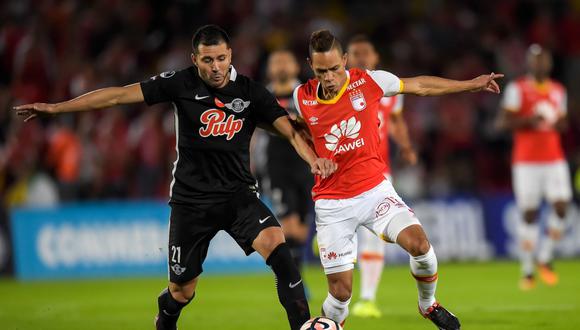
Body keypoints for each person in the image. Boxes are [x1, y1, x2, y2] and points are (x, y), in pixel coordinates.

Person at [14, 25, 338, 330]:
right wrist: (57, 109)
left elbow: (290, 133)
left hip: (238, 197)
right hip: (191, 202)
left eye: (221, 58)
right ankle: (166, 312)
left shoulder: (251, 93)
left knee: (279, 251)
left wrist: (314, 159)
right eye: (208, 60)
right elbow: (116, 96)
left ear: (231, 56)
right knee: (182, 292)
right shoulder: (179, 83)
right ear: (194, 59)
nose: (215, 67)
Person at [292, 29, 503, 329]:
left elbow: (421, 86)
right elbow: (294, 131)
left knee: (421, 247)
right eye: (321, 70)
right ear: (311, 65)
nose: (329, 77)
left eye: (335, 69)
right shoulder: (303, 97)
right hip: (332, 204)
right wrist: (314, 158)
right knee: (340, 295)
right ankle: (329, 322)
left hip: (375, 192)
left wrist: (470, 84)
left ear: (345, 60)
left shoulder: (369, 81)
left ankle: (428, 305)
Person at [345, 34, 417, 319]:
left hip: (377, 172)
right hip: (343, 175)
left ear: (375, 58)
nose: (361, 58)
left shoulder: (385, 91)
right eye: (355, 53)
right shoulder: (339, 90)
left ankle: (367, 299)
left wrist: (407, 146)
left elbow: (396, 121)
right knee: (348, 234)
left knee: (375, 239)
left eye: (366, 53)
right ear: (345, 59)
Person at [499, 44, 571, 291]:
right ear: (529, 63)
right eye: (536, 60)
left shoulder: (558, 91)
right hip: (526, 161)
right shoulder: (517, 89)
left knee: (562, 206)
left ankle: (546, 256)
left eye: (544, 60)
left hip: (554, 159)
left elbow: (563, 123)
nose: (541, 64)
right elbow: (504, 122)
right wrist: (530, 120)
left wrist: (557, 121)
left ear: (550, 64)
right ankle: (528, 269)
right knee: (530, 213)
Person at [262, 50, 314, 273]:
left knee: (301, 229)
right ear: (269, 69)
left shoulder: (307, 94)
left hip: (306, 164)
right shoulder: (262, 97)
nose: (281, 66)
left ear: (296, 67)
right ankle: (294, 280)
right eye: (276, 62)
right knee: (289, 226)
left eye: (286, 61)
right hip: (277, 166)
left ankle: (296, 276)